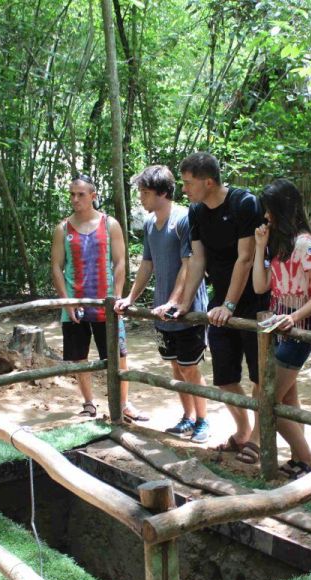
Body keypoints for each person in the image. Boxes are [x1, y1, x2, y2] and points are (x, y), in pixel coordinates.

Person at [172, 152, 267, 456]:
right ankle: (242, 432)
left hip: (254, 301)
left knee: (259, 377)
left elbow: (246, 257)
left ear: (208, 182)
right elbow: (198, 260)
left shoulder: (244, 203)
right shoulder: (196, 212)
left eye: (188, 183)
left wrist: (230, 303)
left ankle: (259, 439)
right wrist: (185, 303)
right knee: (225, 377)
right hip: (219, 303)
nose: (184, 189)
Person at [114, 166, 210, 441]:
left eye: (145, 192)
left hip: (188, 308)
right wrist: (130, 298)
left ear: (163, 193)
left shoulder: (182, 219)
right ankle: (187, 417)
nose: (141, 198)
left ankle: (203, 420)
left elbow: (189, 265)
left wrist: (173, 301)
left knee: (190, 366)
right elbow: (147, 263)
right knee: (176, 366)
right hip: (162, 310)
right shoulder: (149, 224)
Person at [250, 179, 311, 479]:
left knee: (266, 396)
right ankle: (299, 458)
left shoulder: (306, 244)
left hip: (297, 333)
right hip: (278, 329)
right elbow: (261, 285)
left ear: (281, 210)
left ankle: (309, 462)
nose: (266, 217)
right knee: (288, 400)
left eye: (269, 210)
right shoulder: (279, 245)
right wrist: (260, 248)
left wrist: (294, 318)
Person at [50, 174, 147, 423]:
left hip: (107, 304)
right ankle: (88, 403)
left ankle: (123, 403)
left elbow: (120, 262)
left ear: (93, 196)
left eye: (80, 194)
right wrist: (66, 301)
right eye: (72, 194)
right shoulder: (62, 229)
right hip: (75, 305)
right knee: (79, 357)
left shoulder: (109, 224)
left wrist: (116, 296)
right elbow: (56, 268)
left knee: (118, 355)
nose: (75, 199)